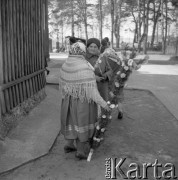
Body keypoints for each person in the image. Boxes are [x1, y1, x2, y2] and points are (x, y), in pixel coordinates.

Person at [59, 42, 110, 160]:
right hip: (83, 102)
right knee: (81, 124)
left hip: (68, 101)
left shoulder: (65, 64)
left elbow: (62, 86)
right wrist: (104, 104)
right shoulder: (84, 67)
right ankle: (80, 152)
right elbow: (92, 92)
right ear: (83, 52)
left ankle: (69, 145)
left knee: (71, 123)